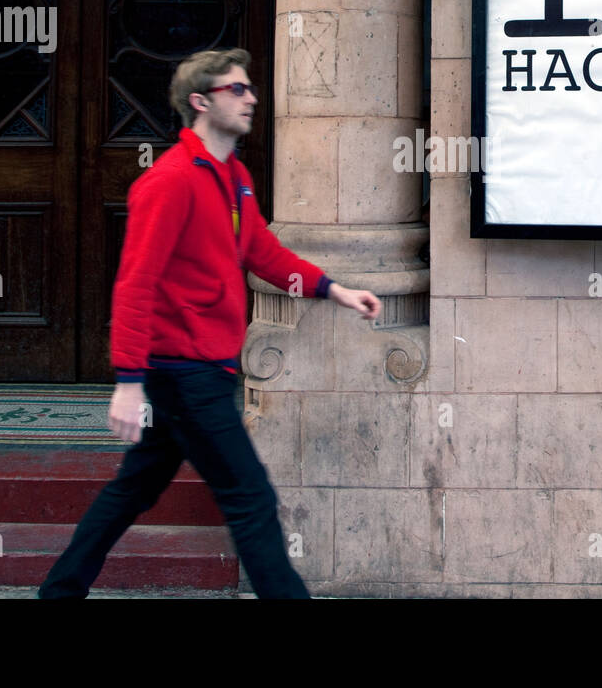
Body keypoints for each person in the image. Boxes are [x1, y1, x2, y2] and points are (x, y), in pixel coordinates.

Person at [38, 48, 380, 599]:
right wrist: (127, 381)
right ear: (201, 102)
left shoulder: (234, 177)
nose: (252, 99)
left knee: (133, 490)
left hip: (205, 368)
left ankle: (58, 594)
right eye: (237, 90)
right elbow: (134, 284)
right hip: (184, 372)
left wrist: (334, 290)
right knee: (249, 497)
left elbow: (263, 253)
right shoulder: (169, 181)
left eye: (250, 88)